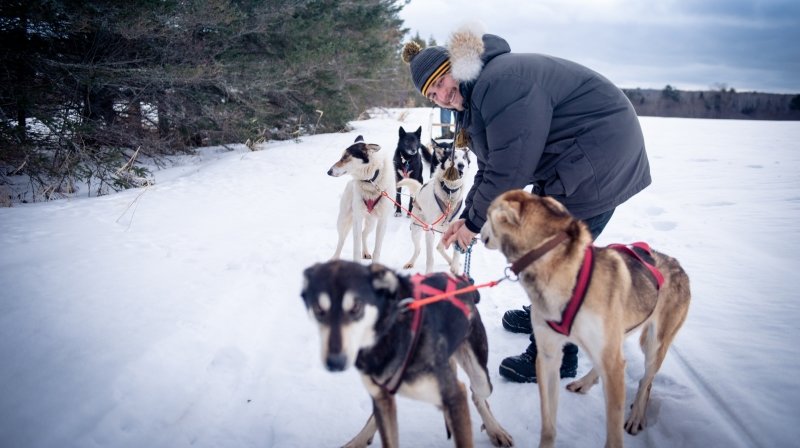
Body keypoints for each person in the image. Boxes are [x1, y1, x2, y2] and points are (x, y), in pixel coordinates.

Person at [402, 24, 651, 383]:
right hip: (581, 157)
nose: (442, 93)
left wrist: (474, 225)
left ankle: (556, 354)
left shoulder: (498, 84)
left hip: (599, 158)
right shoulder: (477, 94)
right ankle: (543, 312)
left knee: (555, 260)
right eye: (433, 92)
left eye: (443, 79)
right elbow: (490, 165)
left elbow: (509, 171)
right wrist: (467, 217)